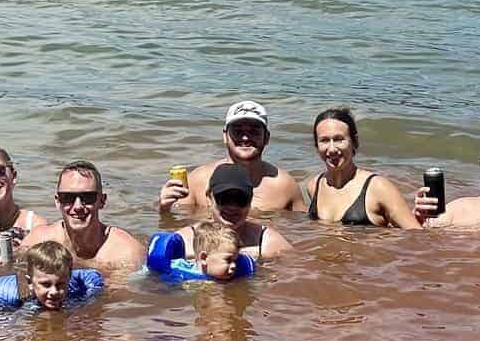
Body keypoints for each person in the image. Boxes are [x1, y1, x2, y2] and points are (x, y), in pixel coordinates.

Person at [158, 100, 305, 216]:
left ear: (266, 137)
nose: (246, 137)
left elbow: (303, 231)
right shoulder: (198, 180)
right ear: (225, 136)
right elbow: (177, 228)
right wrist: (164, 208)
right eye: (237, 131)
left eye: (254, 131)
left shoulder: (284, 185)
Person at [306, 108, 420, 228]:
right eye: (324, 140)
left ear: (354, 142)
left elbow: (416, 235)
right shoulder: (314, 186)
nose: (332, 148)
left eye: (339, 139)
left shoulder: (378, 188)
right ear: (316, 146)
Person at [18, 161, 145, 269]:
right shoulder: (38, 241)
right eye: (68, 197)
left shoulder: (125, 252)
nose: (78, 206)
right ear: (57, 201)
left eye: (87, 197)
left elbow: (123, 297)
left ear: (102, 201)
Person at [176, 164, 292, 261]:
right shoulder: (185, 241)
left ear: (251, 200)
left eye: (240, 199)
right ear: (209, 198)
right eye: (224, 198)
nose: (232, 207)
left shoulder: (268, 243)